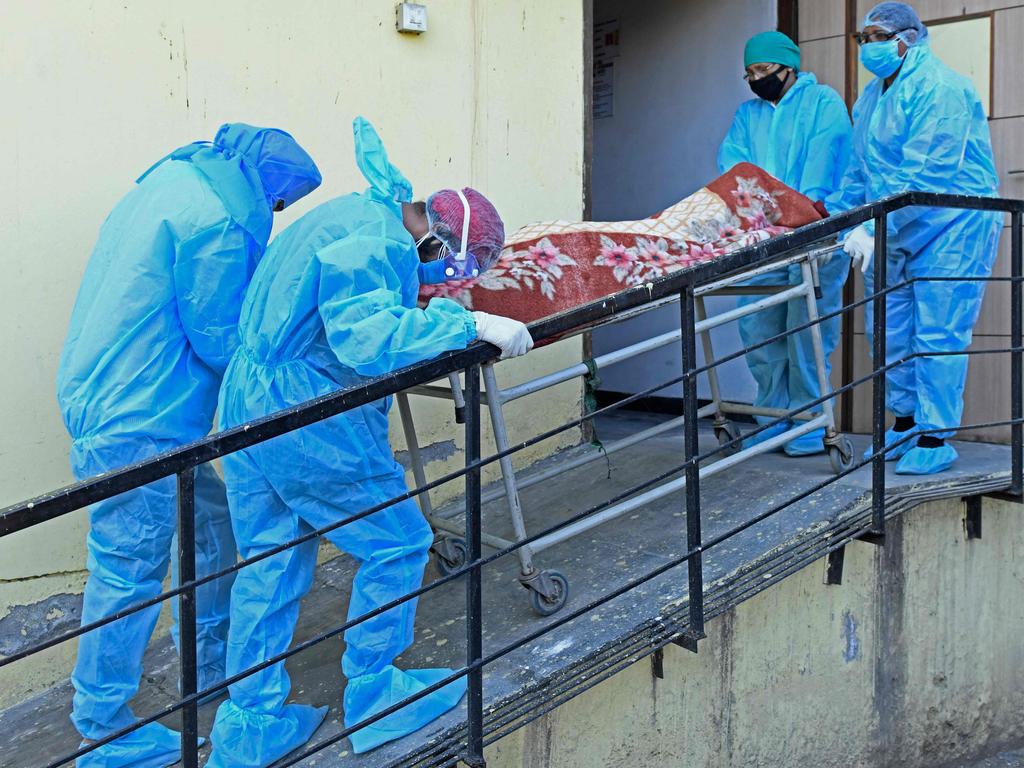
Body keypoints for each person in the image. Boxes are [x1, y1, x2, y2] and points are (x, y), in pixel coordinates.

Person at [205, 117, 532, 767]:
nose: (446, 274)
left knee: (272, 561)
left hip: (246, 402)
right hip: (301, 415)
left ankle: (249, 725)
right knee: (399, 541)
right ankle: (377, 694)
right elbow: (365, 336)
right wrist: (469, 321)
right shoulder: (376, 242)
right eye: (457, 264)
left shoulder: (363, 213)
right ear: (440, 237)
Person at [55, 124, 321, 768]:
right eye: (281, 204)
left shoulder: (172, 182)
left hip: (112, 397)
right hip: (145, 418)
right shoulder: (222, 222)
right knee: (129, 570)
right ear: (271, 188)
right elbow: (223, 337)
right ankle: (102, 726)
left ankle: (205, 665)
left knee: (212, 528)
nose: (276, 215)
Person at [830, 2, 1002, 475]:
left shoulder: (941, 87)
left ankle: (935, 435)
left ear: (907, 38)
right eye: (862, 38)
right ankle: (904, 423)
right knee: (888, 329)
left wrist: (869, 224)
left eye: (877, 36)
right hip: (893, 225)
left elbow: (927, 171)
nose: (869, 46)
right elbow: (859, 171)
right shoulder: (868, 99)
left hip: (951, 225)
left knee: (938, 330)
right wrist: (836, 216)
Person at [718, 30, 853, 456]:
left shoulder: (823, 104)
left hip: (815, 233)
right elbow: (733, 170)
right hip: (763, 240)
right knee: (759, 332)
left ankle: (810, 425)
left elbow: (823, 167)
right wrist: (758, 221)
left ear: (788, 67)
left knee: (806, 333)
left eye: (763, 70)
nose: (757, 78)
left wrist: (800, 216)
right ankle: (772, 420)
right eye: (750, 73)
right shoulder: (748, 115)